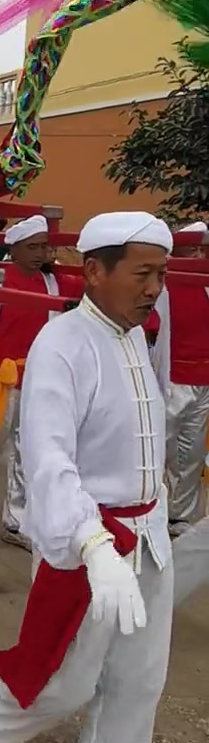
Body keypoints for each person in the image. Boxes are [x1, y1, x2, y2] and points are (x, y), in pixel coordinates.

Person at [0, 211, 173, 743]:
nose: (155, 288)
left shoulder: (138, 336)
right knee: (66, 680)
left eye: (161, 274)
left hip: (148, 535)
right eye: (143, 274)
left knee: (139, 679)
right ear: (95, 272)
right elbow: (51, 460)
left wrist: (158, 518)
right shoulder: (64, 344)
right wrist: (92, 545)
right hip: (91, 541)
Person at [0, 215, 79, 548]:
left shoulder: (55, 283)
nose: (41, 253)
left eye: (45, 246)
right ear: (14, 248)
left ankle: (16, 520)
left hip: (38, 379)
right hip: (0, 379)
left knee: (29, 452)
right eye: (33, 247)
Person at [160, 221, 209, 537]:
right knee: (157, 450)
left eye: (201, 249)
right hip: (168, 380)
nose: (197, 254)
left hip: (203, 380)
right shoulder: (162, 286)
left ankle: (181, 517)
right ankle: (149, 511)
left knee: (190, 454)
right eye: (192, 248)